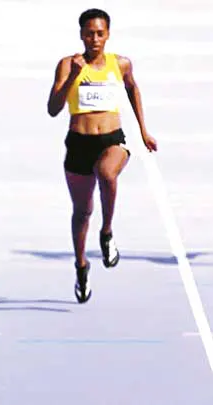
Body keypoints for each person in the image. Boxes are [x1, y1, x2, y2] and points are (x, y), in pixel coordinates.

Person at [46, 9, 158, 304]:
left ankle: (107, 232)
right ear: (81, 34)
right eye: (89, 33)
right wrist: (73, 75)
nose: (94, 39)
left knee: (107, 173)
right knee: (82, 212)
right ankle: (81, 265)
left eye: (100, 33)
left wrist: (143, 130)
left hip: (111, 139)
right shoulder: (68, 64)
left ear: (108, 34)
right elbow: (53, 108)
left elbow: (133, 88)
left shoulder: (120, 64)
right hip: (79, 143)